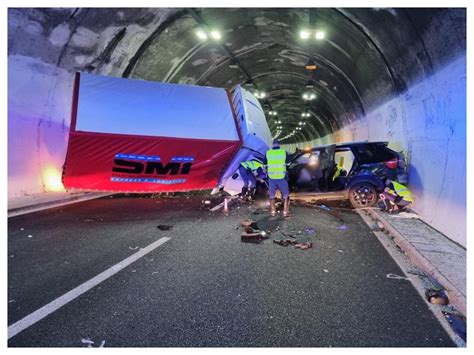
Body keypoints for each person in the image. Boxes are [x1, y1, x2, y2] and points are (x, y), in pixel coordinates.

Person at [264, 140, 292, 217]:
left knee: (272, 195)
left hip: (271, 177)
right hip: (281, 177)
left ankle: (273, 211)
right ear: (279, 145)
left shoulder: (268, 153)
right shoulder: (283, 152)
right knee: (286, 194)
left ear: (272, 145)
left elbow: (265, 165)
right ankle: (285, 212)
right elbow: (288, 163)